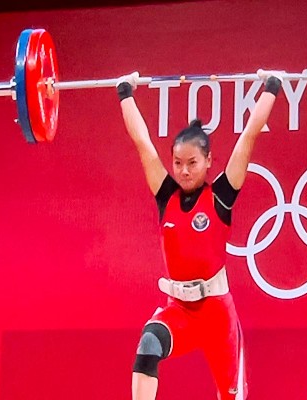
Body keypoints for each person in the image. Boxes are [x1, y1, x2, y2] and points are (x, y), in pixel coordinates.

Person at [115, 69, 283, 400]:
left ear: (208, 161)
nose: (184, 170)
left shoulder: (221, 195)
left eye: (192, 163)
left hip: (218, 315)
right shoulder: (166, 196)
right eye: (177, 163)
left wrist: (272, 86)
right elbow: (143, 144)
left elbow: (249, 135)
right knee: (148, 345)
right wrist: (124, 93)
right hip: (179, 310)